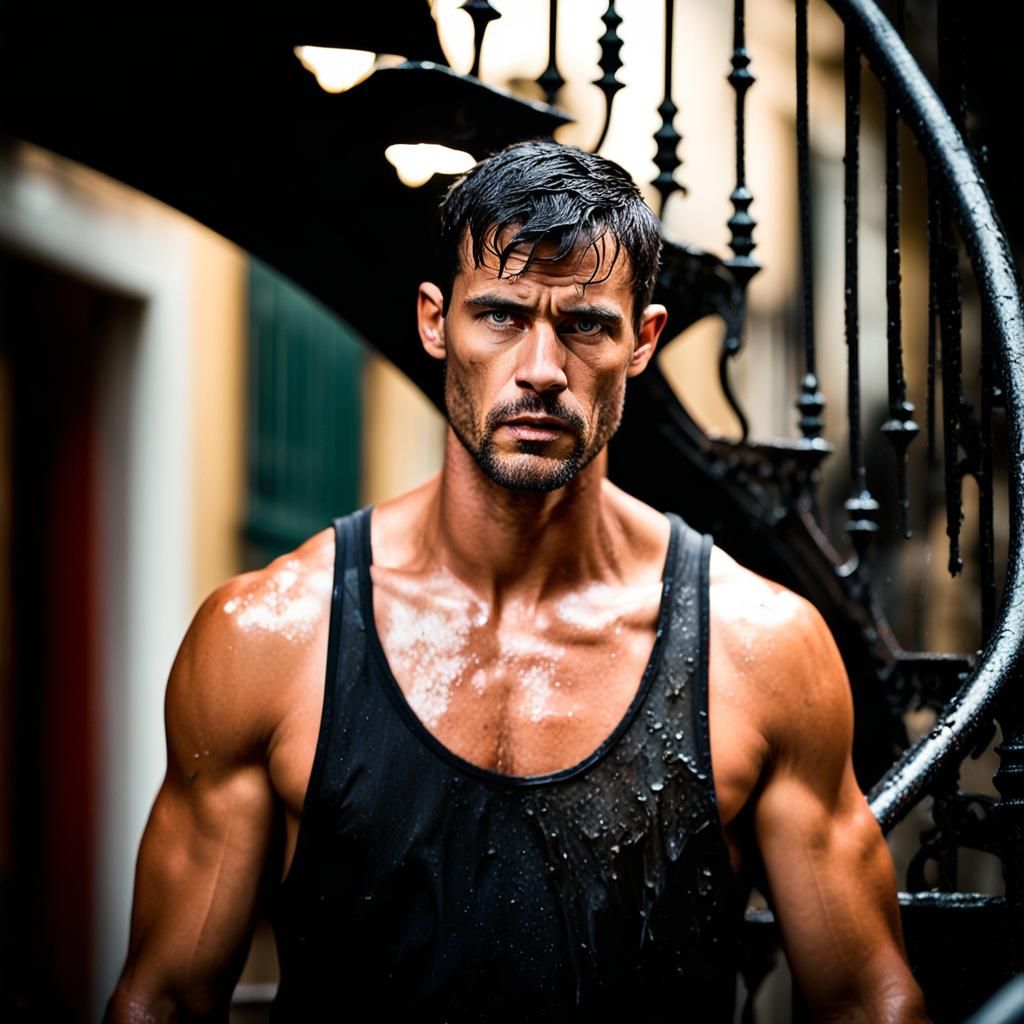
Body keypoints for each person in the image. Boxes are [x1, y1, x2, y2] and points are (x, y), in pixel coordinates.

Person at [106, 140, 928, 1023]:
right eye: (499, 315)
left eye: (584, 325)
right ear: (434, 322)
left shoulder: (760, 650)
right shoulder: (268, 638)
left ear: (642, 340)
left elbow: (865, 1002)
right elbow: (164, 998)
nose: (541, 370)